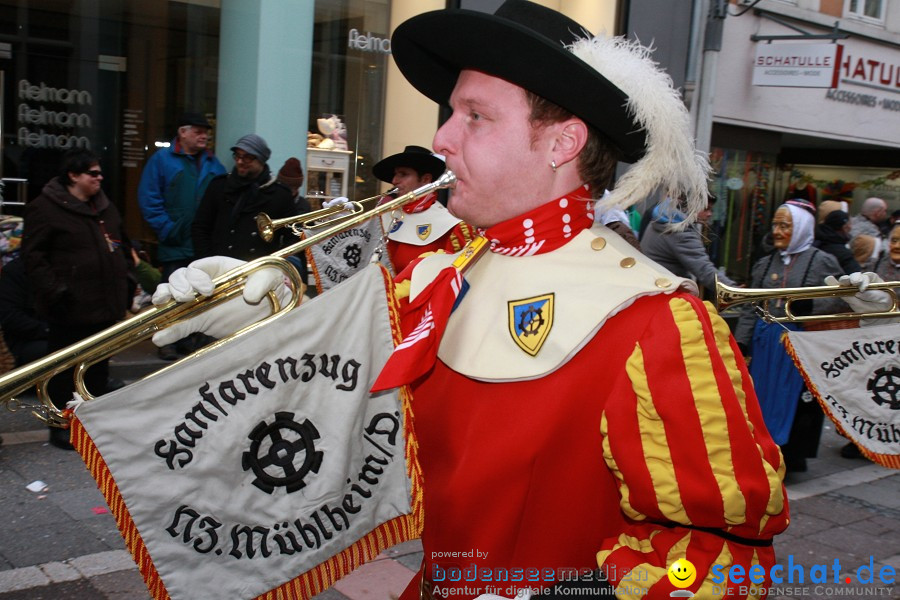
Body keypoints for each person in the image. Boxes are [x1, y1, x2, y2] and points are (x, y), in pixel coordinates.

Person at [152, 3, 790, 598]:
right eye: (451, 114)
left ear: (562, 143)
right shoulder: (442, 270)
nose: (443, 141)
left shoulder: (661, 323)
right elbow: (344, 375)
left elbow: (725, 551)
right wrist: (269, 311)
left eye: (475, 116)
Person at [22, 149, 133, 450]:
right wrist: (56, 292)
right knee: (63, 372)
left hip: (105, 304)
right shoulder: (45, 208)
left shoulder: (105, 206)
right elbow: (33, 257)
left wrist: (128, 276)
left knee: (97, 370)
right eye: (93, 173)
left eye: (100, 173)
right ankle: (61, 425)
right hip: (69, 308)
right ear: (73, 175)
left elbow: (120, 241)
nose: (100, 178)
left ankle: (93, 424)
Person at [735, 199, 846, 474]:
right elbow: (752, 307)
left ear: (801, 228)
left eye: (785, 225)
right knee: (758, 397)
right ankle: (759, 450)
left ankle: (786, 454)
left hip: (797, 344)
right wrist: (741, 341)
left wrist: (812, 306)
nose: (777, 230)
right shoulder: (764, 262)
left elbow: (842, 298)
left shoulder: (822, 261)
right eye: (775, 224)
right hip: (764, 344)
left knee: (791, 399)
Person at [139, 112, 225, 360]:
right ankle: (166, 341)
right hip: (175, 243)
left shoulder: (213, 163)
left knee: (199, 293)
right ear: (182, 132)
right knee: (171, 293)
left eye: (206, 132)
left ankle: (190, 339)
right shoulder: (162, 160)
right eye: (198, 131)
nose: (204, 136)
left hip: (202, 244)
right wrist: (168, 229)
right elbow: (149, 199)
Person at [192, 134, 298, 262]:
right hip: (218, 267)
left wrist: (279, 268)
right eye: (237, 156)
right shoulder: (219, 186)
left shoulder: (279, 195)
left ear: (261, 160)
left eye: (248, 157)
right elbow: (201, 227)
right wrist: (208, 261)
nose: (240, 161)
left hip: (260, 271)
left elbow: (292, 238)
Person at [374, 145, 475, 273]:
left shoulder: (453, 227)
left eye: (403, 174)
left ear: (425, 179)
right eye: (395, 174)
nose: (394, 180)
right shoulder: (383, 217)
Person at [641, 194, 735, 291]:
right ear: (690, 207)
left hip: (652, 285)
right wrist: (732, 290)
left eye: (711, 210)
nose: (709, 214)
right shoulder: (681, 233)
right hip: (665, 290)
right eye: (705, 209)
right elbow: (703, 269)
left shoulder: (662, 218)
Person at [0, 256, 49, 366]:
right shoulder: (14, 271)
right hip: (30, 340)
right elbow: (10, 317)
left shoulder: (62, 264)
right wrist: (48, 330)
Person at [814, 209, 860, 275]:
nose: (851, 227)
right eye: (850, 224)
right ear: (845, 227)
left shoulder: (813, 242)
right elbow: (856, 276)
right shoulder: (843, 253)